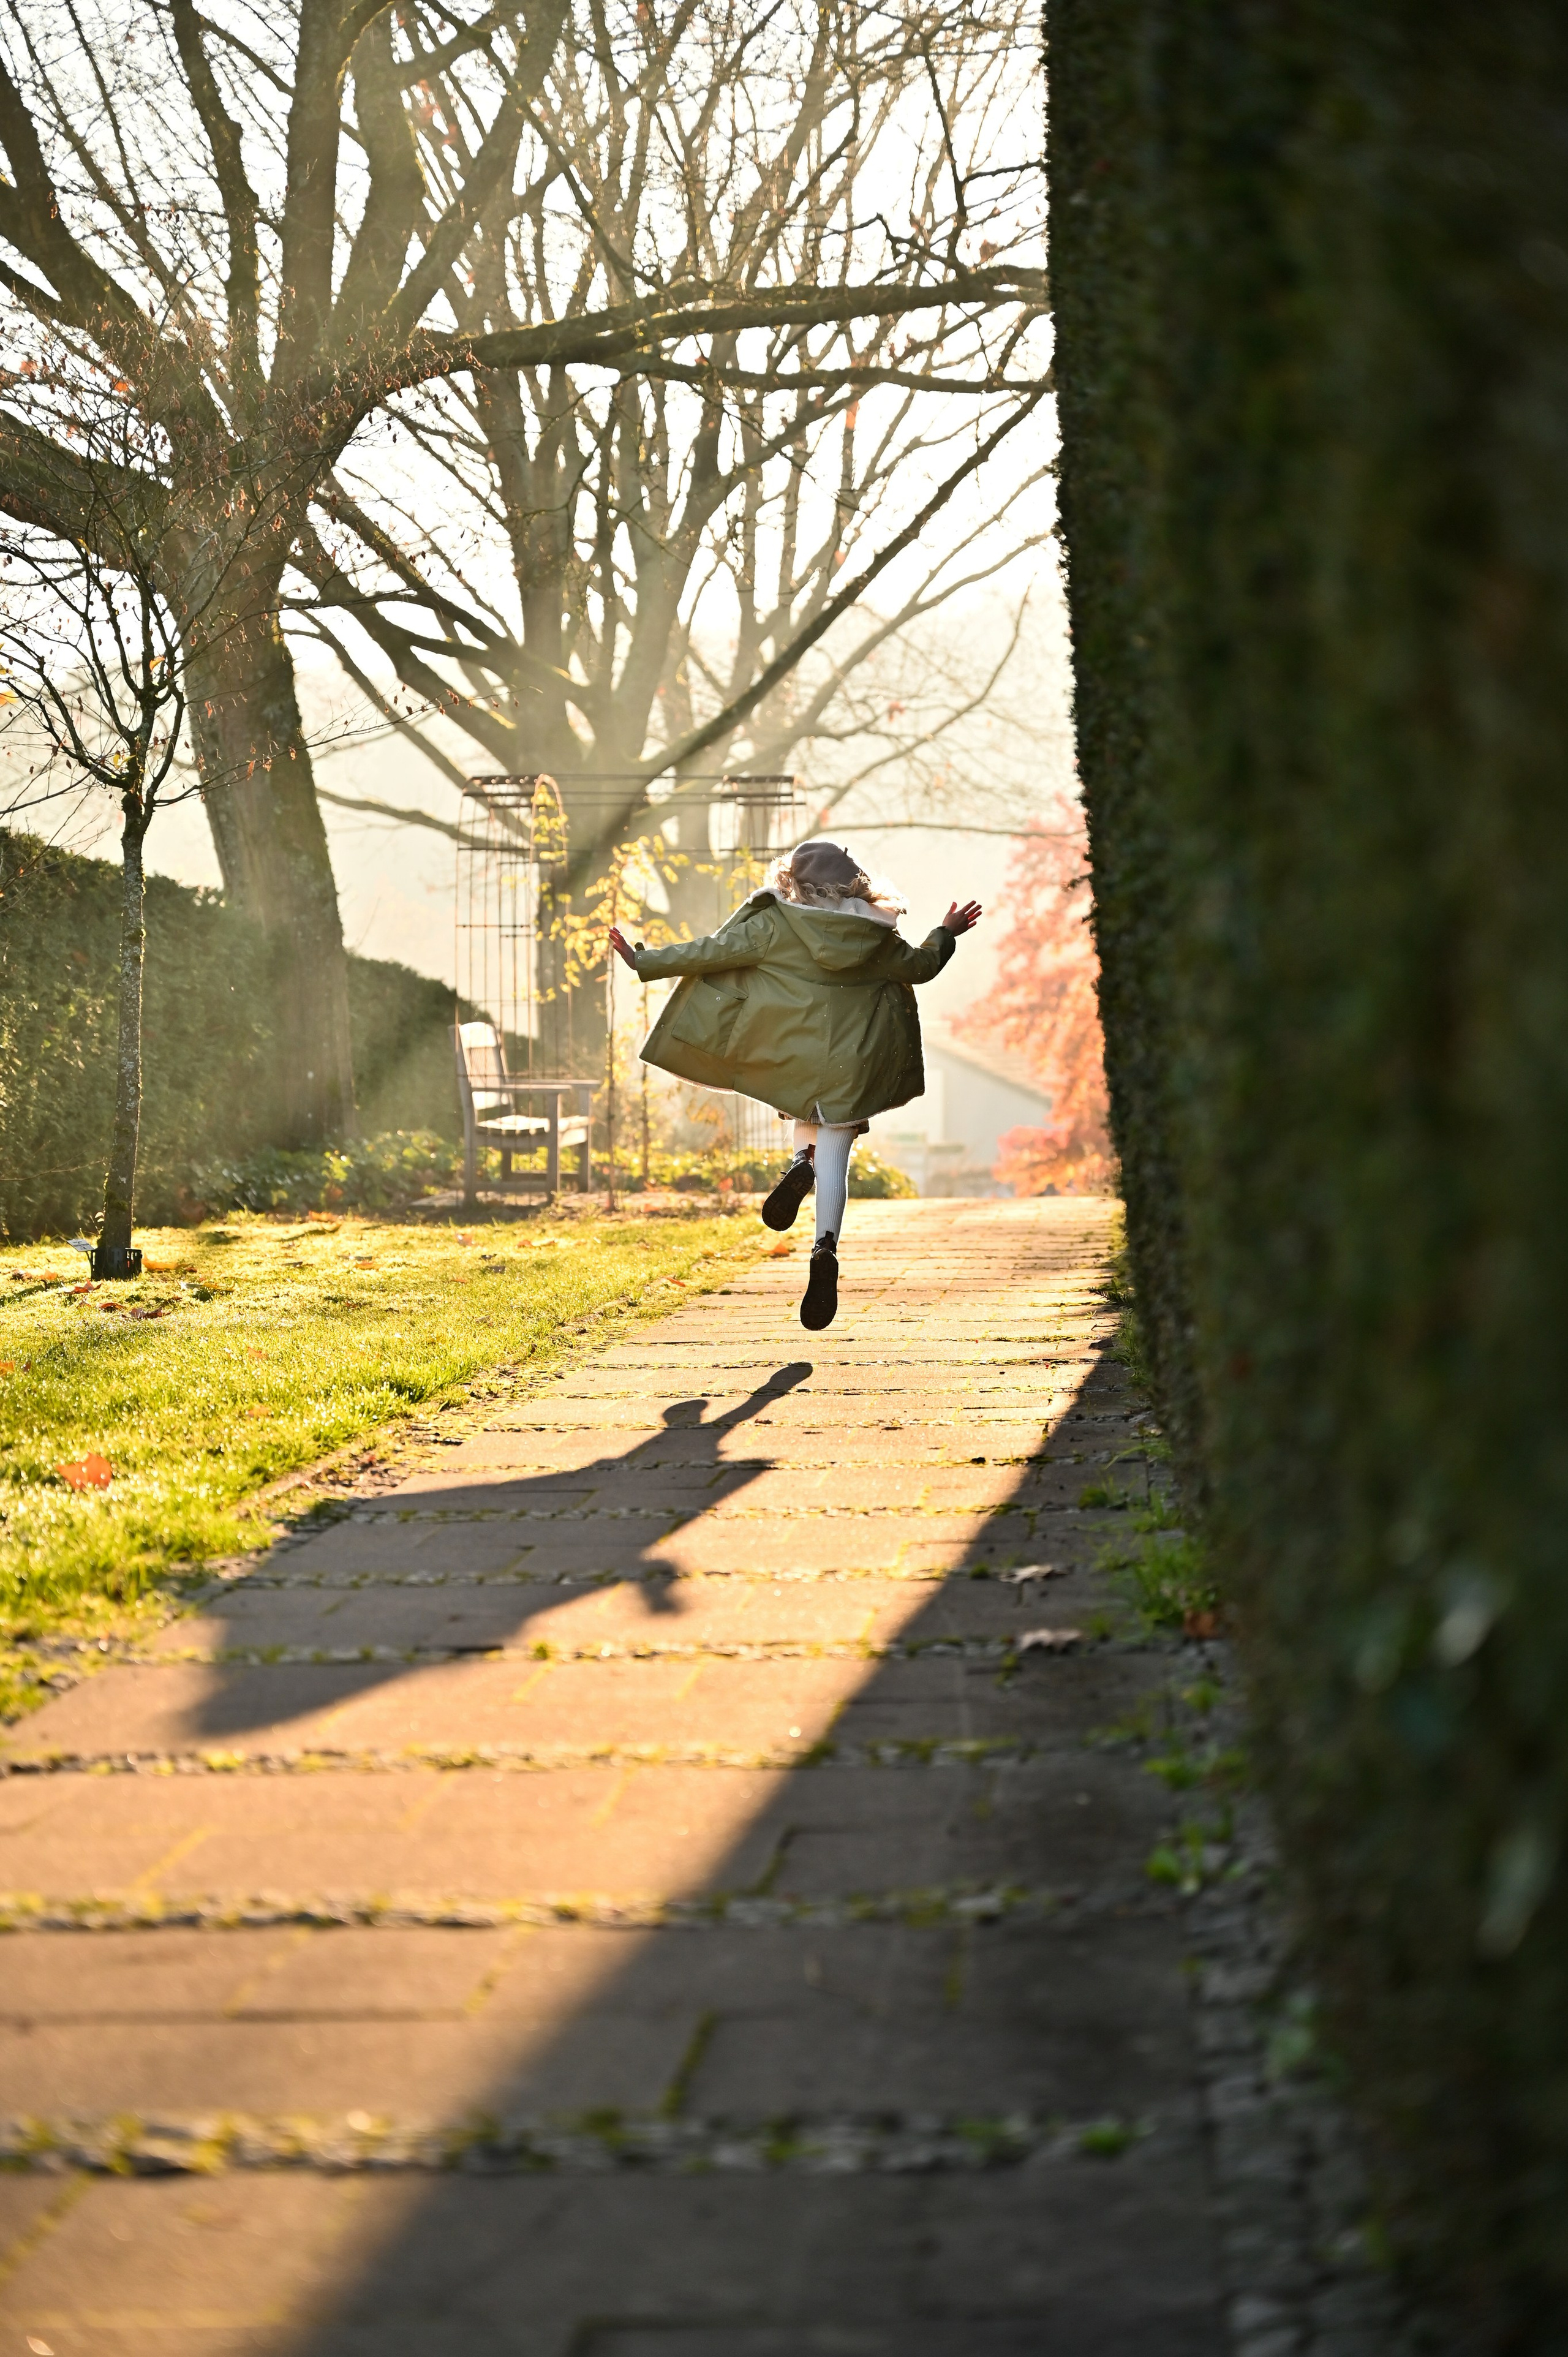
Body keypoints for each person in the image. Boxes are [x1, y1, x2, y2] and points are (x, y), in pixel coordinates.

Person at [609, 838, 981, 1330]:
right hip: (854, 1061)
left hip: (791, 1054)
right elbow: (921, 968)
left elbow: (712, 952)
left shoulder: (774, 924)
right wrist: (945, 932)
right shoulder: (875, 933)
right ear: (854, 882)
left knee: (803, 1112)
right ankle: (825, 1245)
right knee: (838, 1154)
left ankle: (797, 1163)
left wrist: (645, 962)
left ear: (794, 881)